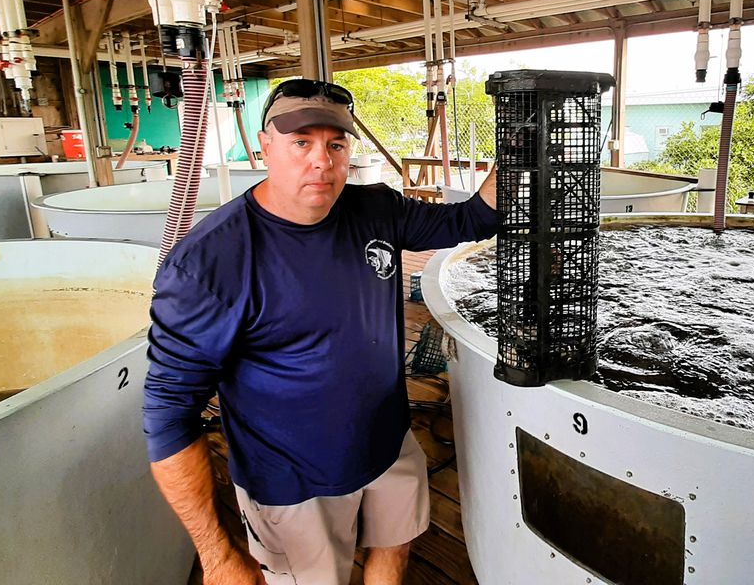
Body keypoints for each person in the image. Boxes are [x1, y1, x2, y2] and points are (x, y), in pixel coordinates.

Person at [142, 78, 498, 585]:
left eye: (335, 144)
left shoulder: (374, 208)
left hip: (388, 442)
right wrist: (217, 556)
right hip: (291, 481)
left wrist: (520, 153)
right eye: (300, 142)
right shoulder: (210, 263)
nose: (321, 161)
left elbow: (468, 220)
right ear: (265, 146)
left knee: (394, 549)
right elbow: (167, 414)